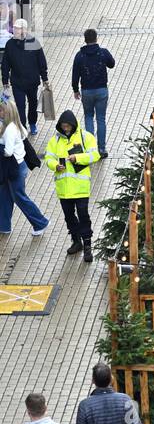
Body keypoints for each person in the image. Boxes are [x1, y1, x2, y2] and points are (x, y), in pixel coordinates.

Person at [45, 110, 100, 261]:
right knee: (69, 216)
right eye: (63, 126)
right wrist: (55, 165)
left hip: (81, 187)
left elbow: (95, 155)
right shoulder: (55, 140)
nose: (65, 128)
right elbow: (48, 157)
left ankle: (87, 245)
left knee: (83, 215)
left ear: (73, 125)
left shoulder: (85, 136)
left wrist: (78, 158)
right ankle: (77, 241)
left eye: (68, 125)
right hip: (64, 188)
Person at [0, 97, 50, 236]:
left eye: (1, 110)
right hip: (13, 166)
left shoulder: (9, 128)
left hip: (13, 166)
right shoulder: (12, 124)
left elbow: (8, 152)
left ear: (7, 112)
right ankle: (3, 226)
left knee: (18, 197)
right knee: (4, 195)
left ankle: (41, 222)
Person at [71, 29, 115, 159]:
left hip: (87, 91)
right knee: (101, 119)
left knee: (88, 117)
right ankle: (102, 149)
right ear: (96, 38)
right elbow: (111, 64)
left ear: (85, 40)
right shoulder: (103, 53)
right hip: (101, 90)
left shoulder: (80, 55)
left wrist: (75, 89)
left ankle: (91, 149)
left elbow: (75, 74)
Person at [1, 17, 48, 135]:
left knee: (32, 104)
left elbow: (42, 62)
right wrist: (5, 80)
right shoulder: (10, 44)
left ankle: (32, 123)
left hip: (32, 82)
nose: (14, 31)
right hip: (17, 83)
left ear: (24, 30)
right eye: (14, 29)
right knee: (20, 107)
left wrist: (45, 79)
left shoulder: (33, 43)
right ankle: (22, 126)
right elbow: (5, 64)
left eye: (17, 29)